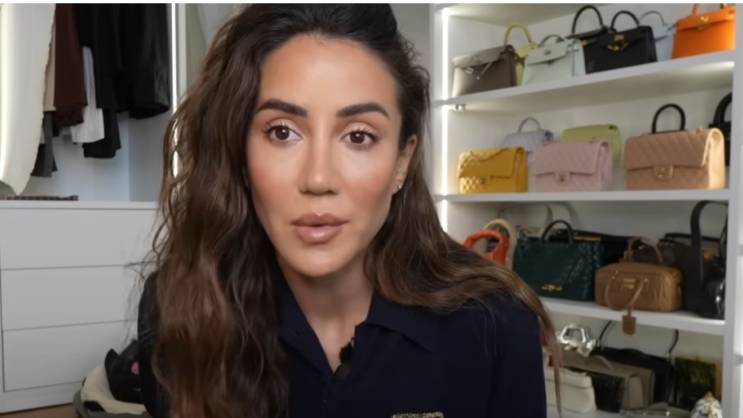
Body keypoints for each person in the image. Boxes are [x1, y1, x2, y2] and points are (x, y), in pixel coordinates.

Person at [137, 4, 558, 418]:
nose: (319, 178)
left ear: (402, 162)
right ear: (240, 156)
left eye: (358, 136)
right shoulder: (180, 308)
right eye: (282, 132)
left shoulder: (496, 324)